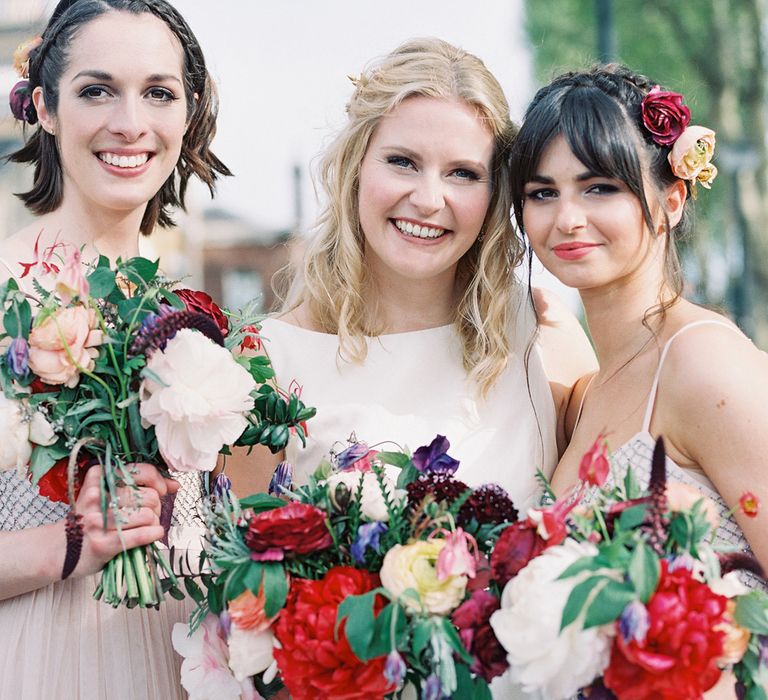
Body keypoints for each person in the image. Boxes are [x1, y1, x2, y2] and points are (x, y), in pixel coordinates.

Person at [230, 37, 595, 519]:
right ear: (356, 168)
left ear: (495, 192)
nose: (428, 199)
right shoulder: (265, 362)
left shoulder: (543, 334)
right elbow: (247, 578)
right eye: (403, 162)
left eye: (462, 173)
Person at [0, 1, 229, 698]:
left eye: (158, 92)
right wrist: (67, 544)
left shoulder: (190, 319)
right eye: (96, 90)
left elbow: (199, 544)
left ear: (187, 113)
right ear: (44, 106)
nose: (130, 123)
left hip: (178, 664)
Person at [509, 65, 768, 577]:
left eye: (600, 188)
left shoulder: (703, 362)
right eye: (543, 193)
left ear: (671, 201)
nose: (567, 218)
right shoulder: (582, 399)